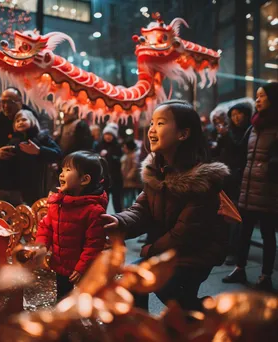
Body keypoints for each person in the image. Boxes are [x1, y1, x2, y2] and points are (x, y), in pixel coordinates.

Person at [102, 100, 230, 311]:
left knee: (163, 288)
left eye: (160, 123)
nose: (151, 129)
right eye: (152, 123)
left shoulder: (202, 180)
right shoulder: (157, 171)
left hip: (196, 254)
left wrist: (150, 249)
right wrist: (119, 221)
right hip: (170, 251)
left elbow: (185, 234)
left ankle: (208, 314)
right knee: (137, 283)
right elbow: (141, 210)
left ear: (183, 134)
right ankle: (144, 329)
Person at [222, 82, 278, 292]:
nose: (258, 99)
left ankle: (265, 276)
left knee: (267, 234)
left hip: (269, 190)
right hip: (247, 187)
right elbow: (240, 152)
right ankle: (240, 268)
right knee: (244, 232)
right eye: (257, 96)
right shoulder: (254, 126)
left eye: (262, 96)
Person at [35, 151, 109, 301]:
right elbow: (46, 226)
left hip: (83, 269)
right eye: (62, 169)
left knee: (84, 301)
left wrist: (82, 267)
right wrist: (41, 246)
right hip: (61, 263)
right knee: (62, 298)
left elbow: (93, 245)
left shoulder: (93, 211)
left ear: (84, 179)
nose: (61, 174)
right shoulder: (58, 202)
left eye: (68, 170)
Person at [0, 87, 39, 206]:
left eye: (10, 102)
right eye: (2, 102)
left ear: (20, 102)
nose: (5, 106)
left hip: (23, 184)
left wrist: (38, 151)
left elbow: (49, 148)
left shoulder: (31, 121)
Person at [213, 103, 252, 265]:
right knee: (224, 214)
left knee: (236, 216)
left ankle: (234, 251)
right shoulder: (228, 133)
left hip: (240, 179)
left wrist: (225, 135)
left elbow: (239, 150)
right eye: (233, 114)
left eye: (239, 114)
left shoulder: (249, 131)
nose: (236, 117)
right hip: (227, 179)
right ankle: (225, 248)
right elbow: (218, 153)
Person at [9, 109, 62, 205]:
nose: (20, 122)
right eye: (17, 121)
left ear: (32, 120)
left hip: (38, 183)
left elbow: (58, 153)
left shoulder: (42, 137)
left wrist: (39, 151)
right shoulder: (14, 140)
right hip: (18, 185)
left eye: (24, 119)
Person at [94, 123, 123, 212]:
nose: (108, 137)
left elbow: (120, 159)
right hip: (103, 177)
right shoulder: (99, 145)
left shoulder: (118, 146)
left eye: (110, 135)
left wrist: (109, 155)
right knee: (103, 199)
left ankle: (119, 219)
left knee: (117, 200)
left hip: (115, 177)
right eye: (106, 134)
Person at [121, 138, 142, 208]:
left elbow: (135, 167)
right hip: (126, 181)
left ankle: (128, 210)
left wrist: (129, 175)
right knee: (126, 197)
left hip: (131, 181)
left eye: (125, 147)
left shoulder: (133, 156)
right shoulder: (126, 156)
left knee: (129, 198)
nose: (124, 149)